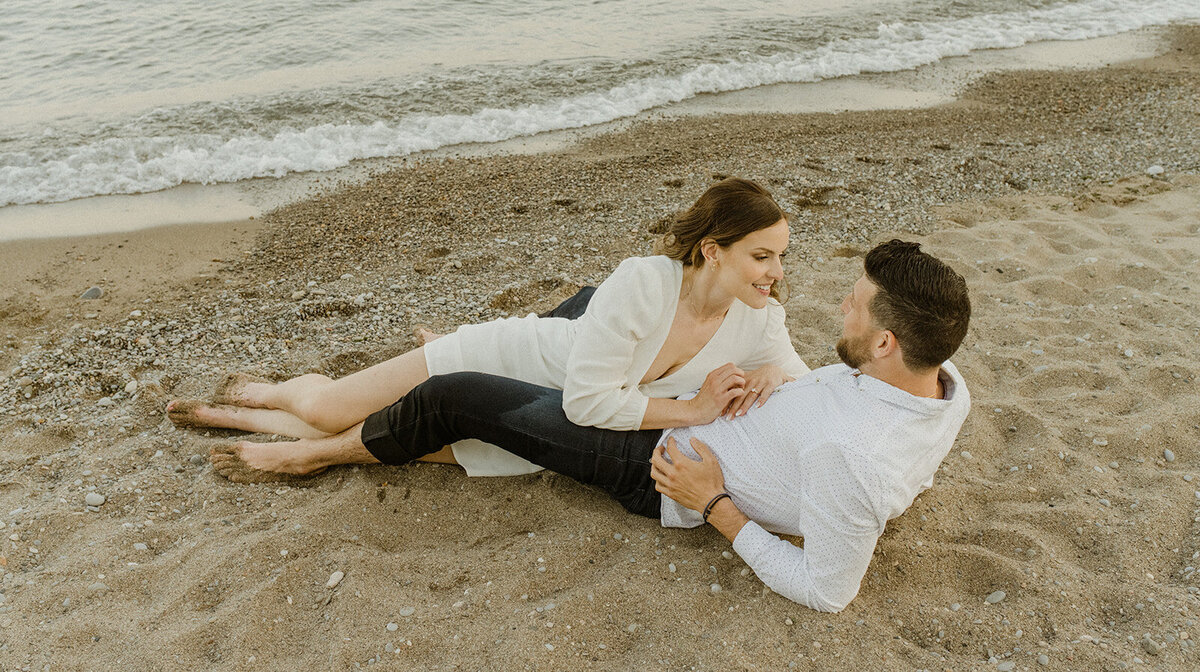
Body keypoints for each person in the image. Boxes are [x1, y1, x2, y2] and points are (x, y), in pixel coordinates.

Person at [207, 239, 972, 612]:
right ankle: (498, 343)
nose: (839, 305)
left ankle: (319, 453)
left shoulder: (853, 457)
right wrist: (788, 378)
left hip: (663, 469)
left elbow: (829, 591)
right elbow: (861, 429)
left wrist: (718, 506)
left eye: (855, 305)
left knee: (461, 396)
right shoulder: (942, 386)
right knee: (590, 303)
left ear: (884, 344)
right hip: (708, 419)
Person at [169, 178, 810, 476]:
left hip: (536, 424)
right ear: (713, 249)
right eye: (763, 255)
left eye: (781, 256)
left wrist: (776, 375)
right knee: (332, 407)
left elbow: (807, 384)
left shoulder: (761, 323)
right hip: (512, 359)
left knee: (387, 438)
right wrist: (693, 411)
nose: (776, 272)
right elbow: (589, 401)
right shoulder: (644, 284)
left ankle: (256, 422)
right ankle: (284, 393)